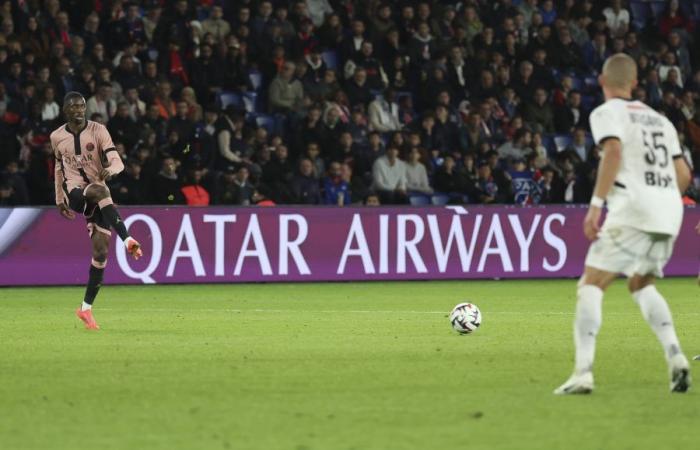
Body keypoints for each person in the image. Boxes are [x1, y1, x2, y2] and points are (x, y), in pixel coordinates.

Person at [554, 54, 692, 395]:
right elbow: (684, 175)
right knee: (640, 284)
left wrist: (595, 206)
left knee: (591, 283)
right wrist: (661, 201)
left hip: (632, 207)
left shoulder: (606, 113)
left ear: (602, 81)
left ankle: (583, 372)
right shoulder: (661, 121)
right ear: (634, 83)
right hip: (669, 210)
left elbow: (613, 152)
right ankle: (676, 356)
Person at [52, 92, 143, 330]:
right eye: (73, 106)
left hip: (99, 193)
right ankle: (128, 238)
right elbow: (59, 168)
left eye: (81, 105)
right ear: (65, 110)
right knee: (99, 191)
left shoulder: (98, 130)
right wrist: (59, 198)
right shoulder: (57, 137)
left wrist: (111, 170)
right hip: (77, 194)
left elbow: (117, 160)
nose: (79, 109)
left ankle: (85, 309)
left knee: (101, 252)